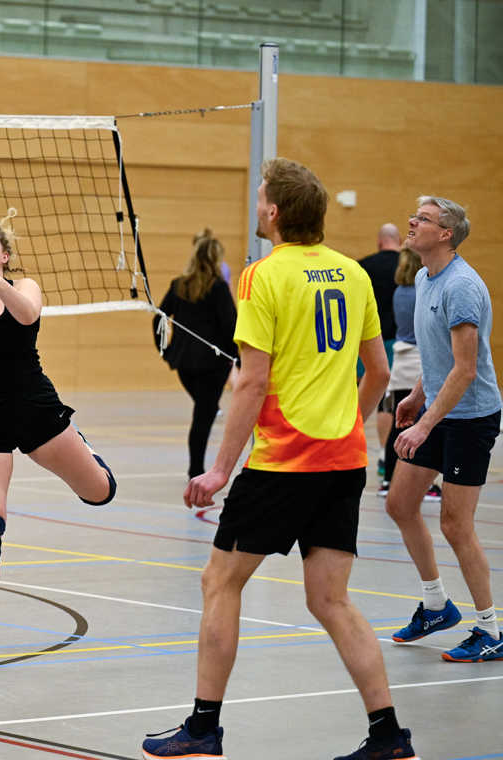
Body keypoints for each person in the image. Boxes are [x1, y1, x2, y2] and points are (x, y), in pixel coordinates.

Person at [142, 159, 417, 760]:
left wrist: (220, 469)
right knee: (331, 600)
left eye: (261, 195)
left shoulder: (261, 276)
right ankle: (388, 736)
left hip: (285, 462)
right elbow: (378, 371)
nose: (256, 203)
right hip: (344, 461)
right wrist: (345, 421)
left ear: (273, 212)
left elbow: (252, 381)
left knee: (220, 581)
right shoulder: (352, 273)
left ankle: (203, 729)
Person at [0, 209, 116, 663]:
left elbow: (28, 315)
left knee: (100, 492)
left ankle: (81, 444)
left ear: (4, 255)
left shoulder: (24, 286)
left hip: (32, 407)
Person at [384, 196, 502, 662]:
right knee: (399, 503)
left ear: (446, 233)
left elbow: (466, 369)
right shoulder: (422, 277)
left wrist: (423, 424)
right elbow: (440, 356)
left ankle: (491, 630)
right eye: (414, 215)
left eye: (424, 218)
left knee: (455, 524)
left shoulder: (462, 287)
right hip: (438, 408)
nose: (412, 221)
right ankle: (436, 607)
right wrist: (418, 393)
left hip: (470, 418)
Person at [153, 229, 238, 478]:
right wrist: (234, 357)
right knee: (204, 414)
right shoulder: (218, 288)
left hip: (184, 364)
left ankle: (196, 470)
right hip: (212, 365)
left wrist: (167, 351)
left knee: (205, 411)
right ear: (215, 259)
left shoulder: (179, 284)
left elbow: (159, 318)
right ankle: (196, 472)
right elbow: (231, 325)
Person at [377, 248, 439, 499]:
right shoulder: (421, 291)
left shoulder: (399, 291)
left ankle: (388, 479)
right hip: (417, 361)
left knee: (398, 425)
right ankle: (420, 484)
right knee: (420, 425)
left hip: (401, 362)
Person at [359, 223, 402, 475]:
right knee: (390, 401)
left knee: (357, 395)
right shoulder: (411, 268)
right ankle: (390, 458)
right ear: (399, 240)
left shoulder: (364, 267)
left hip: (367, 342)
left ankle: (349, 445)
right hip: (399, 342)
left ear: (379, 241)